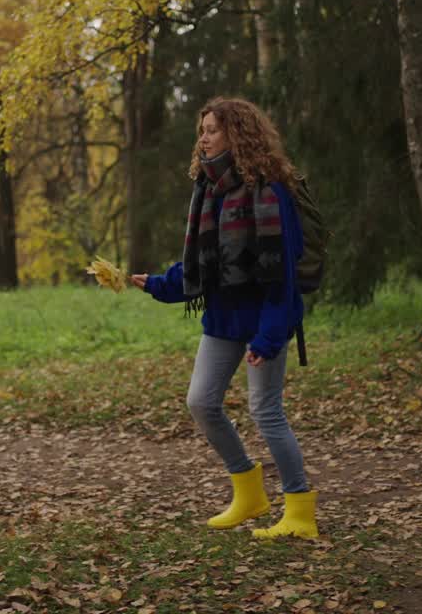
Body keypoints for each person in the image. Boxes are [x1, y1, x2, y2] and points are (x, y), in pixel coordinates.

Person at [129, 96, 317, 539]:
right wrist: (157, 283)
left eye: (212, 129)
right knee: (201, 402)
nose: (204, 137)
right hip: (223, 319)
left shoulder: (270, 193)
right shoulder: (209, 189)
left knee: (265, 411)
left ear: (238, 133)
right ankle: (249, 492)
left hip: (265, 319)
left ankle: (299, 511)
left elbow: (282, 276)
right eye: (202, 130)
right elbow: (203, 266)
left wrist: (269, 338)